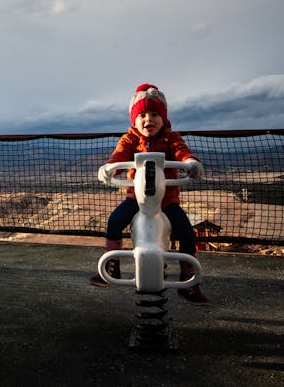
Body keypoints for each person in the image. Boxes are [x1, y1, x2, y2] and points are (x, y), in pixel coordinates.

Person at [89, 83, 208, 305]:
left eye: (155, 114)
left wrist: (190, 162)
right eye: (142, 115)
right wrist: (109, 167)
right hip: (137, 197)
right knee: (115, 221)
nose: (148, 120)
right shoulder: (130, 139)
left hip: (167, 200)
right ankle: (112, 268)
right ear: (134, 120)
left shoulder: (171, 138)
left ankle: (189, 279)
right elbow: (119, 155)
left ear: (163, 119)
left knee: (186, 233)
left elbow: (182, 151)